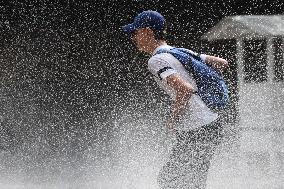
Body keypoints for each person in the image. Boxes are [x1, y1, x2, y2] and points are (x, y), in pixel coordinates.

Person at [122, 10, 228, 189]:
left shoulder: (156, 60)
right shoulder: (180, 51)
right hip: (212, 123)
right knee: (193, 181)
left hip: (197, 127)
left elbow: (184, 90)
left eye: (135, 32)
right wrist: (206, 87)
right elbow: (222, 63)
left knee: (169, 179)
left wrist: (173, 120)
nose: (133, 37)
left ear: (147, 32)